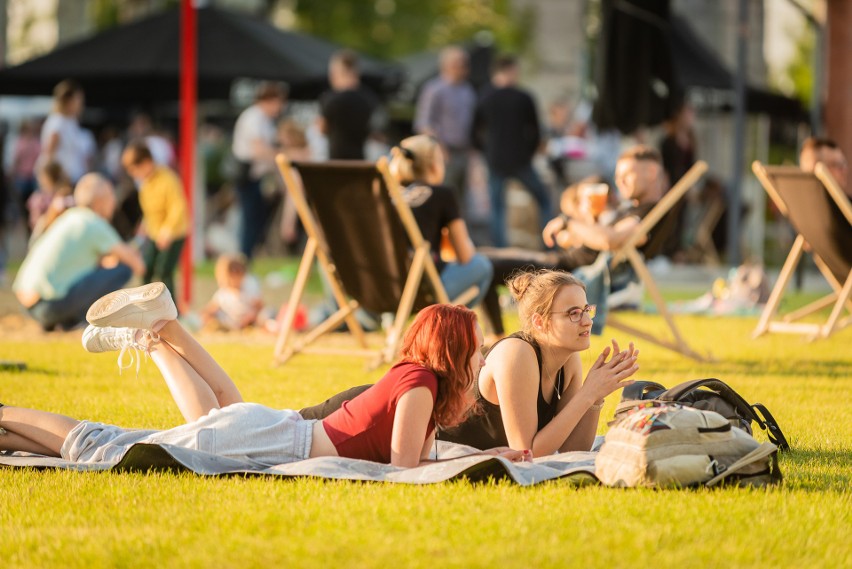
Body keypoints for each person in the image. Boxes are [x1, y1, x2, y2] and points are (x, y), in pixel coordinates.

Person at [0, 283, 529, 469]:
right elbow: (405, 467)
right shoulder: (421, 384)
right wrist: (485, 456)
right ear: (452, 349)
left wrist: (487, 455)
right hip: (280, 442)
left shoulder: (417, 380)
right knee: (106, 445)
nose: (481, 359)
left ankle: (162, 332)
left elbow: (419, 456)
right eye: (476, 350)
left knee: (128, 440)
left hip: (276, 436)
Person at [300, 269, 640, 456]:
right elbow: (529, 452)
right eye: (573, 313)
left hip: (409, 433)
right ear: (538, 322)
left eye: (586, 310)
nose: (586, 321)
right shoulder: (518, 355)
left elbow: (571, 451)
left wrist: (595, 399)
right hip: (380, 416)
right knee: (291, 432)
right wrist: (584, 396)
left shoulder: (569, 360)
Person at [480, 145, 665, 338]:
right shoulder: (629, 210)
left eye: (627, 174)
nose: (619, 181)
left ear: (651, 172)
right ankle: (495, 336)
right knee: (482, 258)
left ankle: (496, 337)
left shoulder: (647, 212)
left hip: (566, 271)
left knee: (485, 264)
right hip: (561, 262)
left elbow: (609, 240)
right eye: (618, 175)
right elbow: (598, 239)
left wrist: (569, 222)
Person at [12, 173, 145, 331]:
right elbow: (137, 265)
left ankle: (66, 320)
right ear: (99, 201)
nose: (114, 203)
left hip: (27, 303)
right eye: (111, 197)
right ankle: (83, 319)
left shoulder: (70, 217)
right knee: (124, 269)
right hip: (49, 306)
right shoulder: (93, 222)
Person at [387, 135, 493, 308]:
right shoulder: (441, 194)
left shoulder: (388, 196)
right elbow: (465, 255)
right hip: (423, 293)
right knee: (481, 265)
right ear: (434, 166)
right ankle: (447, 323)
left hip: (385, 290)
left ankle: (392, 322)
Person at [471, 54, 552, 247]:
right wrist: (528, 152)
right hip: (521, 161)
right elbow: (535, 131)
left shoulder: (485, 97)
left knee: (497, 208)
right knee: (544, 201)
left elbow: (473, 132)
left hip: (496, 160)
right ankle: (550, 243)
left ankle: (501, 249)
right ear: (511, 71)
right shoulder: (523, 97)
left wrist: (486, 152)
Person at [121, 140, 189, 300]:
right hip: (154, 233)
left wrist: (168, 231)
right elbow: (150, 210)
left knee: (164, 271)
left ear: (145, 163)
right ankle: (145, 303)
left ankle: (172, 309)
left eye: (135, 170)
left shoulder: (167, 179)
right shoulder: (145, 183)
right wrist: (143, 225)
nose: (134, 175)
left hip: (173, 233)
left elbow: (177, 207)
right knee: (147, 267)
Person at [414, 46, 477, 212]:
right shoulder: (434, 89)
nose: (463, 67)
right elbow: (424, 123)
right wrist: (438, 148)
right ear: (447, 65)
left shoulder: (467, 91)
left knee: (461, 200)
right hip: (443, 152)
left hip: (463, 152)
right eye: (459, 63)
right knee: (442, 197)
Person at [232, 82, 287, 259]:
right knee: (250, 219)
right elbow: (258, 150)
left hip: (257, 175)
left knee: (255, 219)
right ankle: (244, 257)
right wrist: (281, 154)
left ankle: (248, 255)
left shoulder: (263, 119)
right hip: (248, 176)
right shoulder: (254, 118)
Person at [318, 49, 379, 160]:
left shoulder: (331, 99)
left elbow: (321, 129)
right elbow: (374, 130)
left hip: (336, 162)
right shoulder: (369, 98)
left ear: (336, 73)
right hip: (361, 162)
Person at [658, 102, 698, 260]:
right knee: (671, 218)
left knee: (683, 217)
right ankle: (669, 250)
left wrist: (692, 185)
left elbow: (692, 164)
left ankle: (678, 250)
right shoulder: (669, 139)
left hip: (685, 183)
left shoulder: (691, 138)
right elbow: (665, 164)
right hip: (672, 183)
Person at [201, 253, 273, 332]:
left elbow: (259, 306)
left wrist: (250, 317)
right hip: (230, 322)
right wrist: (207, 315)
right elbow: (212, 307)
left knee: (267, 315)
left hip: (248, 320)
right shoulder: (223, 293)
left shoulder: (248, 288)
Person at [38, 79, 88, 184]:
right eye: (78, 99)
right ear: (68, 101)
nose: (81, 104)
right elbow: (48, 156)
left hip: (73, 180)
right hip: (61, 183)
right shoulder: (57, 123)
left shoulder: (71, 121)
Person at [11, 119, 42, 204]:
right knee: (21, 197)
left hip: (33, 175)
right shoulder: (20, 142)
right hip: (22, 175)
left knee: (33, 197)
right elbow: (16, 159)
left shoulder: (35, 141)